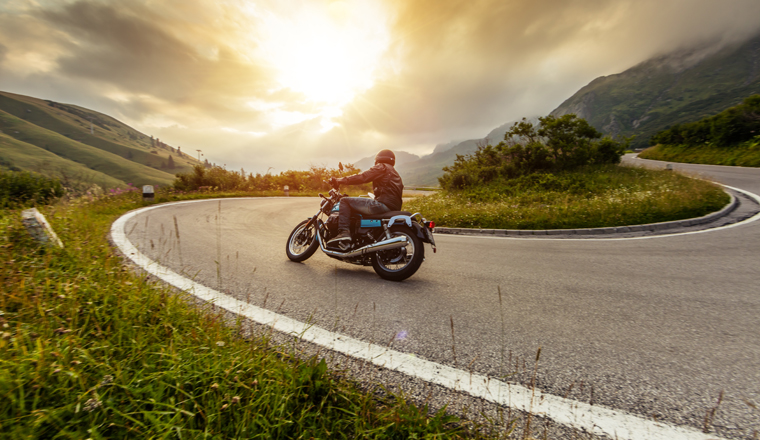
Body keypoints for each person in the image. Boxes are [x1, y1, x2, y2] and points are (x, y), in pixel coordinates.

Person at [327, 149, 404, 249]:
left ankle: (344, 233)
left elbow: (363, 177)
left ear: (378, 159)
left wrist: (339, 180)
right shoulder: (395, 173)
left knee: (345, 201)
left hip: (382, 204)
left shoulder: (382, 167)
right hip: (393, 206)